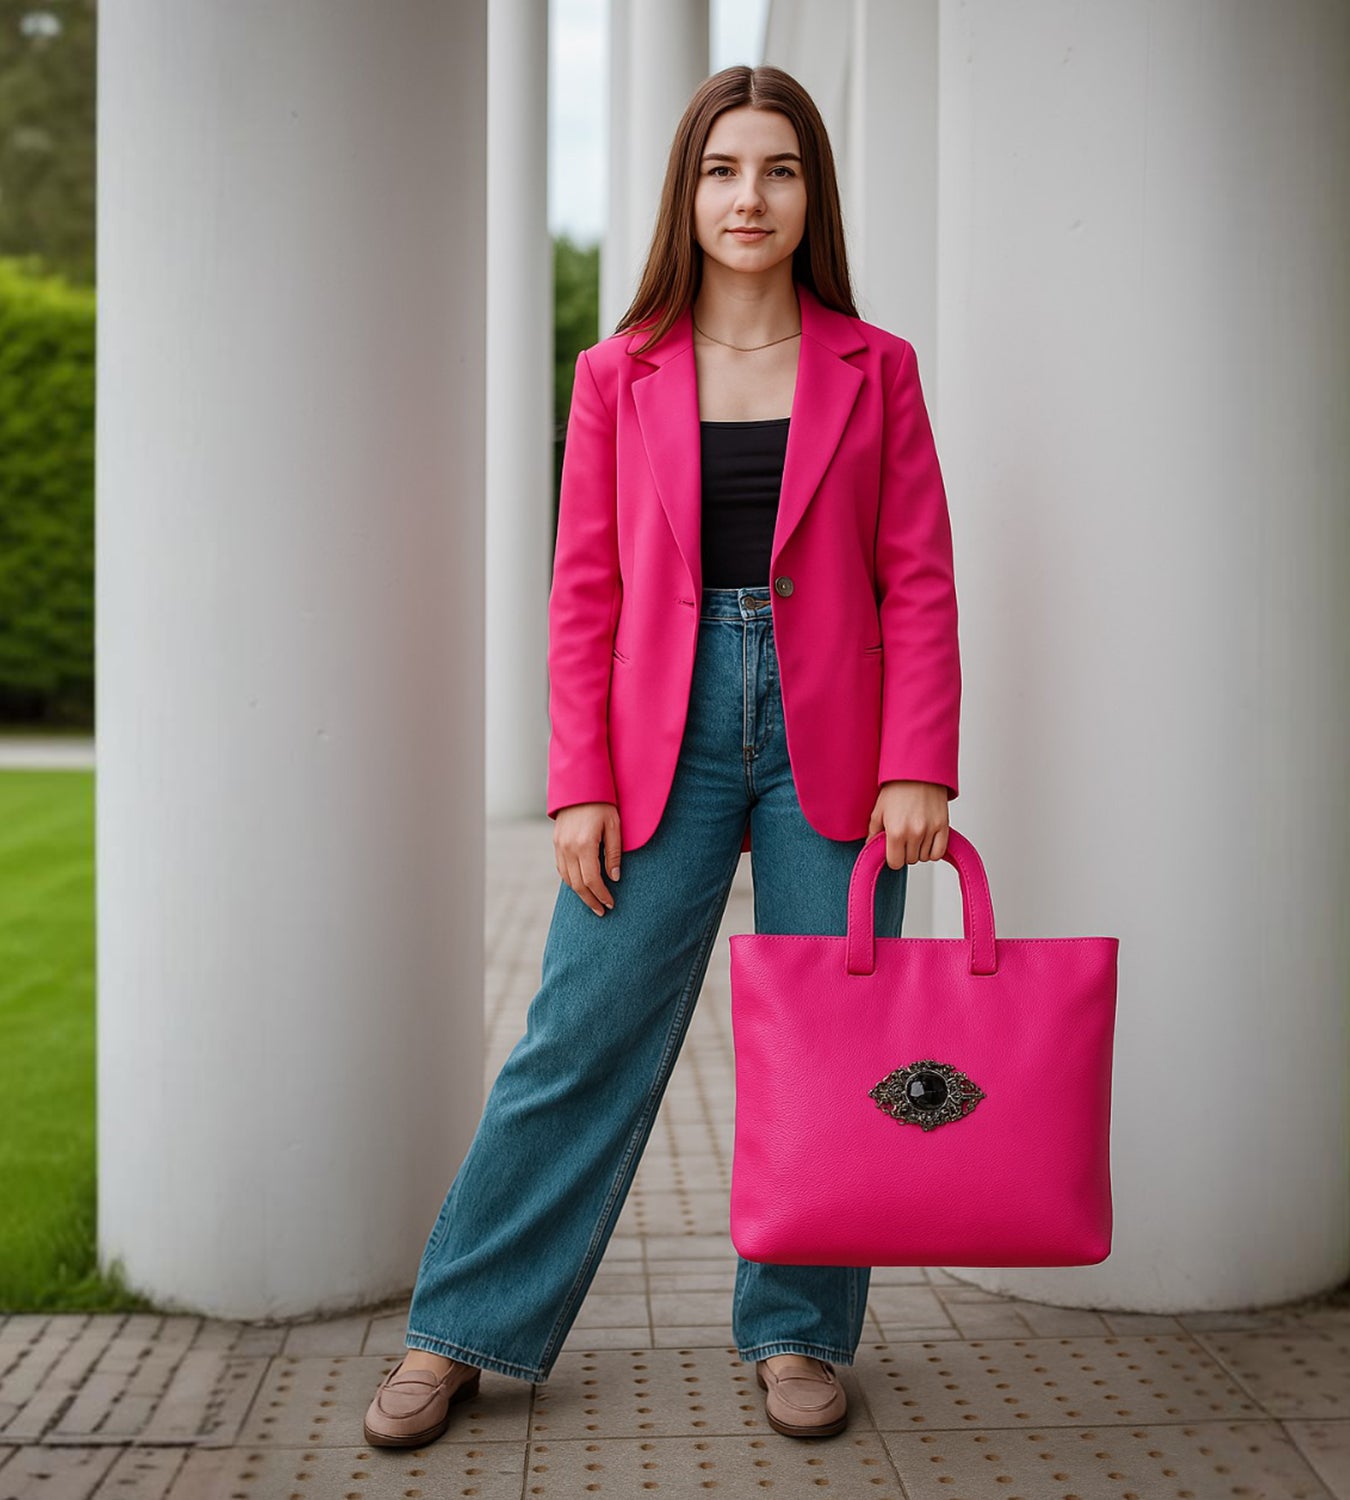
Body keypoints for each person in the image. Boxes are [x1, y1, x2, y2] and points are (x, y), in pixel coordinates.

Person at [363, 62, 961, 1449]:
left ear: (812, 194)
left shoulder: (878, 369)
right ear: (685, 194)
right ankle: (460, 1331)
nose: (748, 198)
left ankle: (800, 1333)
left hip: (842, 751)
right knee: (579, 1035)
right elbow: (586, 592)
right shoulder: (614, 372)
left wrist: (918, 759)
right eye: (721, 170)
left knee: (832, 1045)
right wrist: (577, 781)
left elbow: (917, 578)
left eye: (779, 170)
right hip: (662, 742)